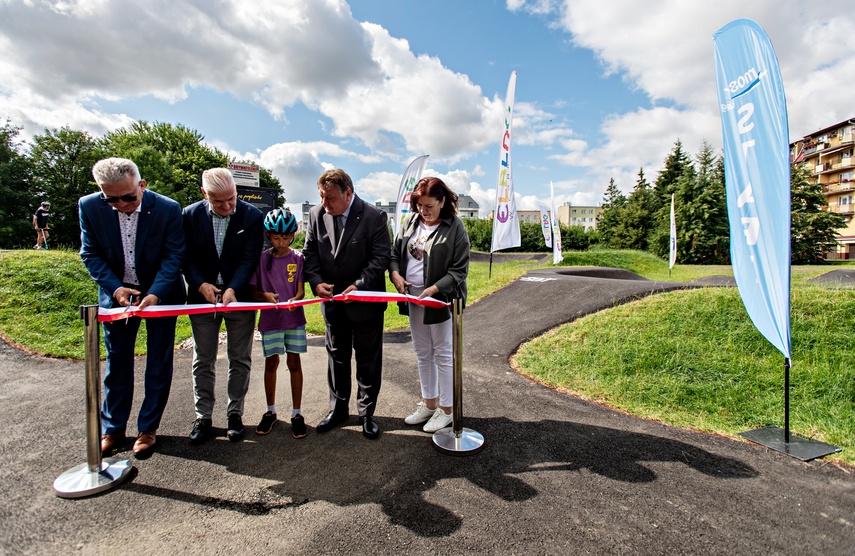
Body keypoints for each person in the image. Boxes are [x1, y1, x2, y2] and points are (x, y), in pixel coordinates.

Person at [79, 157, 186, 459]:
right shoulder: (89, 207)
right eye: (111, 199)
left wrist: (154, 293)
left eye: (128, 197)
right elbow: (90, 254)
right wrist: (115, 288)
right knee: (117, 362)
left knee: (158, 361)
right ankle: (112, 428)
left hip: (160, 295)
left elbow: (173, 255)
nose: (121, 204)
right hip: (116, 296)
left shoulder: (167, 208)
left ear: (142, 185)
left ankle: (147, 428)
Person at [303, 168, 391, 439]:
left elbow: (380, 259)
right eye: (321, 197)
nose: (324, 203)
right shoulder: (316, 215)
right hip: (333, 305)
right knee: (337, 359)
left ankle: (366, 414)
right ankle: (338, 409)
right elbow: (309, 254)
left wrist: (360, 286)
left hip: (365, 304)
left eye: (329, 198)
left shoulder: (374, 217)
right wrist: (316, 282)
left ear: (348, 193)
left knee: (367, 360)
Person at [182, 168, 263, 444]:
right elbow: (185, 257)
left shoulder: (252, 216)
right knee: (202, 359)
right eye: (219, 202)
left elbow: (249, 259)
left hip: (238, 298)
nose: (228, 206)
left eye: (232, 199)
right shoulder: (189, 216)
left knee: (239, 358)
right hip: (202, 298)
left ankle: (235, 414)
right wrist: (200, 284)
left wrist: (233, 289)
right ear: (205, 194)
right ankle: (203, 417)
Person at [389, 177, 470, 433]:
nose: (424, 211)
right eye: (420, 205)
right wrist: (396, 275)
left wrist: (434, 290)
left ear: (443, 201)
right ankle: (429, 403)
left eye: (429, 206)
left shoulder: (455, 227)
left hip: (441, 300)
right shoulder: (410, 222)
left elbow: (459, 270)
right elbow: (394, 254)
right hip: (413, 299)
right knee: (423, 353)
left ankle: (446, 410)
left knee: (443, 355)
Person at [251, 208, 307, 438]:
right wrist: (265, 296)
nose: (281, 241)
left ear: (293, 235)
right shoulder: (262, 259)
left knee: (294, 363)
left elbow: (302, 291)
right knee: (271, 363)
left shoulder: (298, 258)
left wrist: (296, 299)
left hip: (294, 319)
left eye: (285, 237)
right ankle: (270, 411)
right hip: (270, 320)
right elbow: (253, 291)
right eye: (276, 237)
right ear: (268, 236)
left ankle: (297, 412)